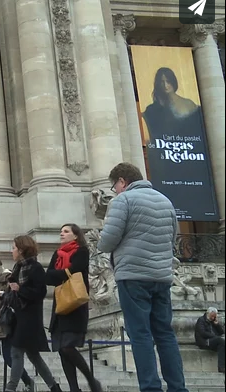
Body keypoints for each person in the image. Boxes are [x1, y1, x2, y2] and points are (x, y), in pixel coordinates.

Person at [99, 162, 189, 392]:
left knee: (140, 335)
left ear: (122, 181)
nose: (115, 191)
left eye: (114, 187)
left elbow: (108, 241)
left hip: (133, 275)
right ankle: (178, 387)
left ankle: (150, 388)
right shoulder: (164, 200)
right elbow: (173, 238)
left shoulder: (123, 201)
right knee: (165, 334)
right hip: (161, 276)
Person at [1, 235, 62, 392]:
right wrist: (3, 294)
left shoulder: (35, 267)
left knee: (16, 352)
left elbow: (40, 292)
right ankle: (54, 387)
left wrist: (20, 289)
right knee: (34, 356)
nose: (12, 251)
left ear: (21, 250)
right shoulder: (17, 268)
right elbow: (13, 292)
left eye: (14, 248)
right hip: (18, 316)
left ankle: (11, 388)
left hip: (29, 318)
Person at [46, 224, 102, 392]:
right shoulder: (57, 254)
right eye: (60, 231)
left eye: (66, 231)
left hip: (76, 304)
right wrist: (63, 273)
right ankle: (74, 388)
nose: (61, 234)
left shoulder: (82, 251)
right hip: (61, 303)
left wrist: (60, 274)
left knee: (67, 347)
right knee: (62, 350)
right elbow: (48, 277)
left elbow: (75, 270)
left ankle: (91, 380)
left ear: (76, 235)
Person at [0, 254, 33, 392]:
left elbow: (15, 298)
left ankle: (27, 380)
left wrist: (2, 294)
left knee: (9, 358)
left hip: (4, 323)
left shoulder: (8, 277)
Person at [194, 307, 225, 373]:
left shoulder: (213, 321)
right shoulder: (201, 320)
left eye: (214, 316)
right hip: (205, 342)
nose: (213, 318)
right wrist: (215, 336)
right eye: (212, 316)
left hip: (213, 340)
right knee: (220, 340)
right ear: (208, 314)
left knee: (222, 344)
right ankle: (221, 367)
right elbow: (202, 333)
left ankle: (222, 366)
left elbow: (221, 332)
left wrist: (217, 325)